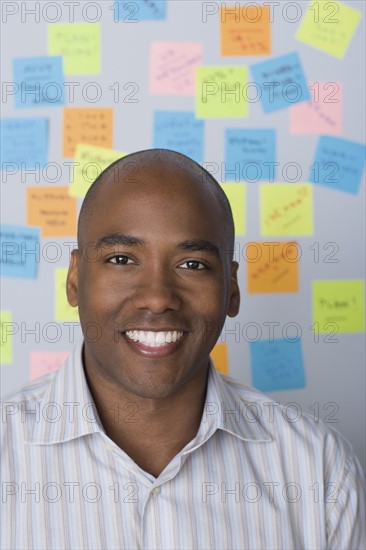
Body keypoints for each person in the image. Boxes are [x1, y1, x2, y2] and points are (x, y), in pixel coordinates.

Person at [1, 149, 365, 550]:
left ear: (232, 287)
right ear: (75, 278)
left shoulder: (321, 470)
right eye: (122, 259)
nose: (157, 298)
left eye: (192, 264)